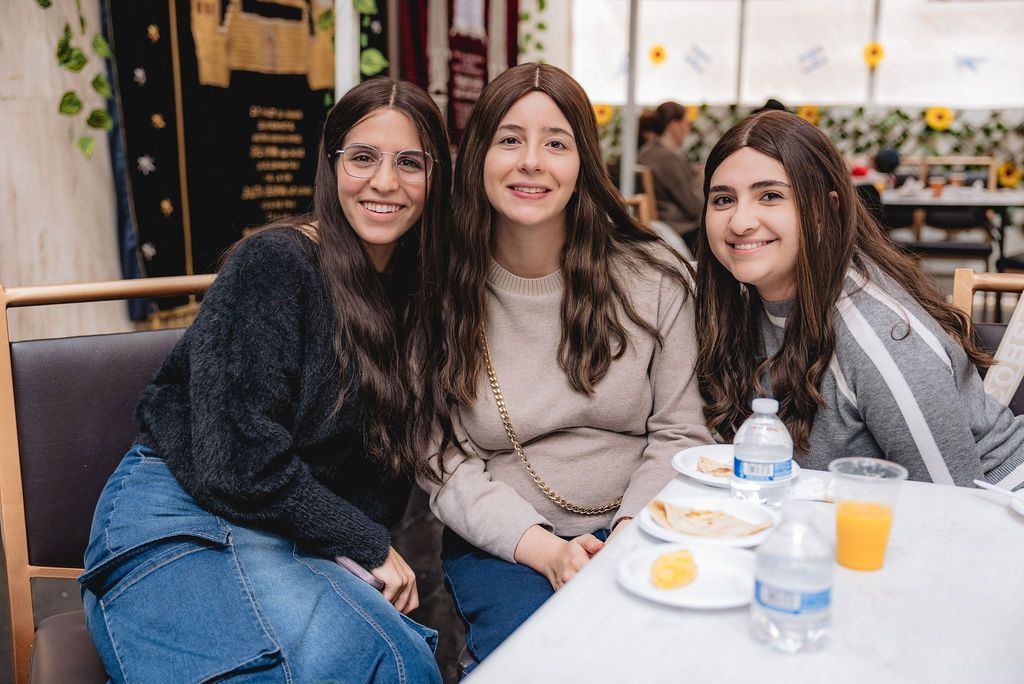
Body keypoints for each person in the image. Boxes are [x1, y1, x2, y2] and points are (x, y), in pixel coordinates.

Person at [78, 78, 454, 682]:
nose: (385, 182)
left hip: (285, 530)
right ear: (331, 166)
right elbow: (237, 459)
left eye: (410, 162)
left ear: (436, 178)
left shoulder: (417, 292)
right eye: (362, 157)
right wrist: (365, 542)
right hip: (182, 511)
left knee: (397, 664)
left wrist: (355, 543)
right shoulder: (277, 262)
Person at [427, 63, 713, 669]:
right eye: (510, 140)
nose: (532, 162)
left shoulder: (653, 277)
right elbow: (443, 462)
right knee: (539, 664)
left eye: (556, 143)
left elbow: (682, 430)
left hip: (646, 522)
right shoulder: (439, 290)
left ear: (584, 161)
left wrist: (629, 535)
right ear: (477, 157)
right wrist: (547, 551)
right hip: (507, 543)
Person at [694, 110, 1024, 489]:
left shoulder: (880, 333)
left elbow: (950, 502)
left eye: (770, 196)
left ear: (825, 210)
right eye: (723, 199)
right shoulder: (743, 305)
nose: (740, 222)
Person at [638, 101, 704, 249]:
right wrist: (700, 179)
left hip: (664, 227)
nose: (687, 130)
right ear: (674, 125)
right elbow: (694, 208)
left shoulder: (647, 152)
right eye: (686, 124)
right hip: (679, 232)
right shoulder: (667, 158)